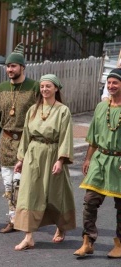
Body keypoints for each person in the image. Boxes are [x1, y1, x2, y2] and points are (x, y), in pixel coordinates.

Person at [13, 74, 76, 250]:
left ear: (56, 88)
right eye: (42, 87)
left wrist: (61, 160)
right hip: (34, 153)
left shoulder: (63, 110)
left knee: (55, 193)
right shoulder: (33, 109)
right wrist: (21, 159)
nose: (44, 90)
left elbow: (65, 136)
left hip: (53, 153)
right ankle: (28, 236)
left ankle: (61, 227)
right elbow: (26, 135)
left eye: (48, 86)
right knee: (30, 192)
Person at [0, 42, 39, 233]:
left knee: (20, 183)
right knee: (8, 183)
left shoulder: (34, 87)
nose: (9, 69)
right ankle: (13, 218)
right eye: (8, 66)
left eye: (13, 66)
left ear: (22, 67)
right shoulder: (1, 88)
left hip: (26, 142)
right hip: (6, 141)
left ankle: (23, 218)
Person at [74, 68, 121, 258]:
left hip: (119, 163)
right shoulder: (101, 107)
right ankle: (88, 241)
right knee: (89, 201)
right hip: (100, 160)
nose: (111, 86)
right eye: (109, 83)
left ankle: (119, 243)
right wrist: (87, 159)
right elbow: (93, 136)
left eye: (115, 83)